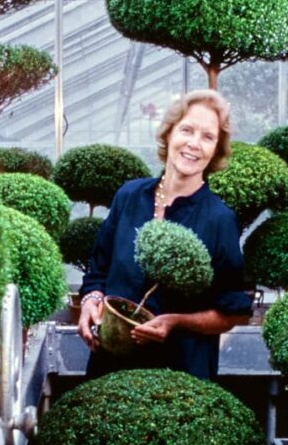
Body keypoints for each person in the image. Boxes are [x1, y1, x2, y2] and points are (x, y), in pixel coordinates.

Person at [77, 89, 251, 380]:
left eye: (208, 137)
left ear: (216, 150)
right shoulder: (129, 196)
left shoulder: (219, 219)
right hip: (112, 367)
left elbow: (232, 311)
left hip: (179, 374)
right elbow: (98, 273)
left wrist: (176, 322)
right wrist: (89, 304)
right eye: (187, 130)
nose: (194, 144)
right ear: (169, 134)